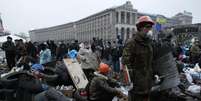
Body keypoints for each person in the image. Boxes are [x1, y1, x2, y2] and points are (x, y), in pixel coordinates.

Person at [122, 16, 155, 101]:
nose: (149, 30)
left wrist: (153, 75)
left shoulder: (149, 43)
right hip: (136, 85)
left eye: (150, 28)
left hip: (147, 83)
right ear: (140, 28)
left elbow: (150, 62)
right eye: (147, 27)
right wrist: (129, 82)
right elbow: (125, 63)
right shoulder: (132, 43)